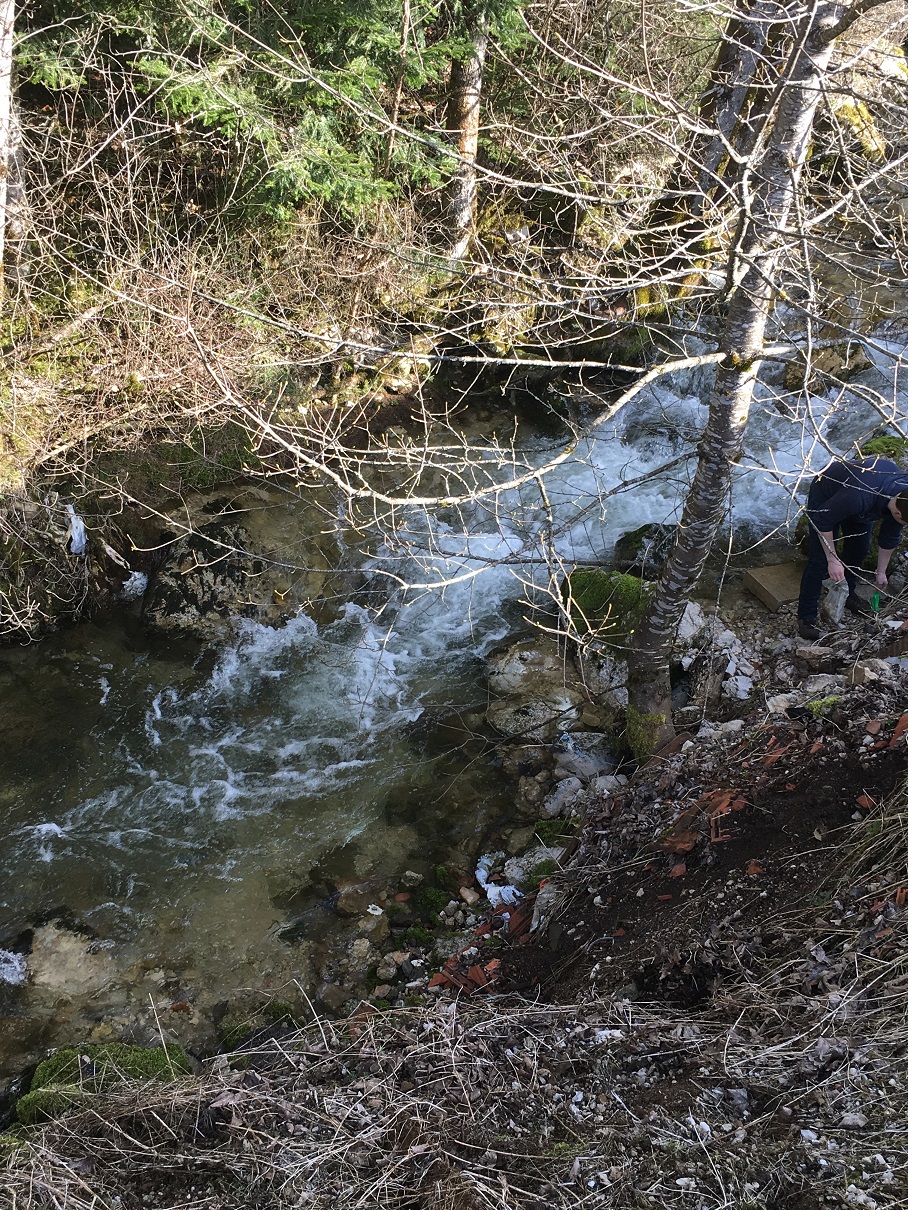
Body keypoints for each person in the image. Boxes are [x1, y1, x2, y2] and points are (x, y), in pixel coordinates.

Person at [797, 455, 908, 641]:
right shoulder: (859, 497)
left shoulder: (904, 496)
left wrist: (881, 572)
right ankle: (806, 618)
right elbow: (822, 522)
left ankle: (848, 593)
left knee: (859, 550)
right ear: (897, 512)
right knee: (820, 561)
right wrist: (833, 560)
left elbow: (890, 537)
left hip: (864, 502)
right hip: (827, 489)